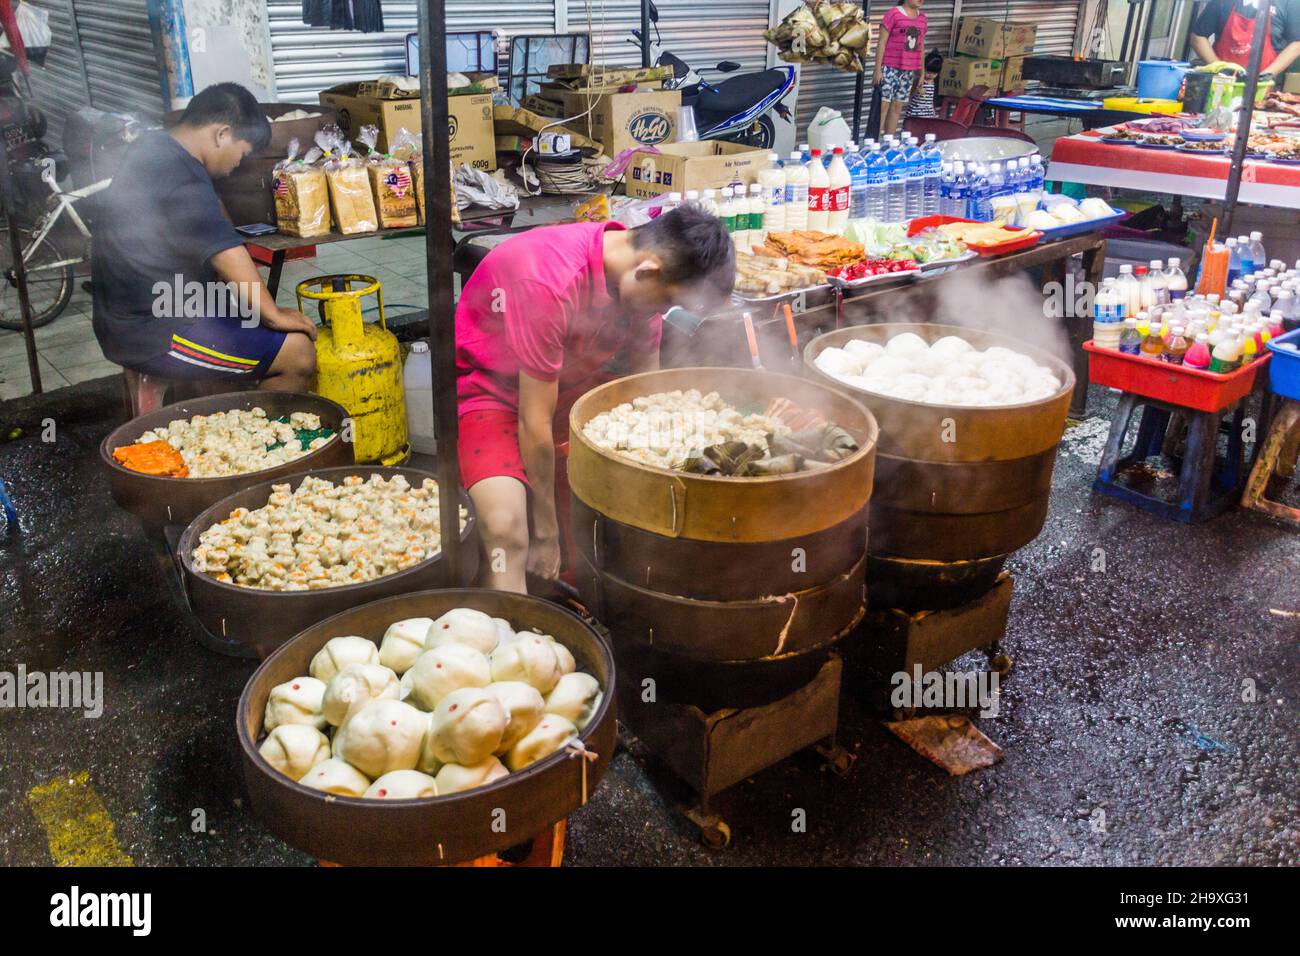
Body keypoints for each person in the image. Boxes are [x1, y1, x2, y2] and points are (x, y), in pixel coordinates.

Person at [454, 204, 735, 594]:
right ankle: (499, 630)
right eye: (666, 302)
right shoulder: (549, 281)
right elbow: (533, 421)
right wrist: (547, 535)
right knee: (507, 534)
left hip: (571, 385)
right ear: (648, 270)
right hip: (496, 395)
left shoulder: (634, 276)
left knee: (604, 520)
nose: (663, 312)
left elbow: (647, 388)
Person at [92, 83, 318, 391]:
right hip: (152, 331)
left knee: (237, 314)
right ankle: (257, 438)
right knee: (298, 353)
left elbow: (207, 221)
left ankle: (223, 411)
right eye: (243, 152)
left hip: (133, 316)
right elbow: (225, 251)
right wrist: (274, 315)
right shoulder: (178, 172)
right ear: (222, 134)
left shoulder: (155, 147)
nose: (238, 164)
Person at [1189, 0, 1300, 76]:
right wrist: (1219, 68)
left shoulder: (1289, 3)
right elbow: (1198, 36)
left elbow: (1297, 43)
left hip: (1263, 88)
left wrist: (1267, 75)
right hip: (1219, 83)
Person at [874, 0, 929, 134]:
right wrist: (877, 70)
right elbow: (881, 42)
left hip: (909, 71)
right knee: (882, 106)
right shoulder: (893, 14)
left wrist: (922, 72)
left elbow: (921, 46)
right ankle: (873, 145)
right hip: (889, 68)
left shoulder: (922, 18)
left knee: (897, 107)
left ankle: (889, 143)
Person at [906, 49, 944, 120]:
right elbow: (911, 94)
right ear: (924, 69)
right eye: (928, 72)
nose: (931, 76)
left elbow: (930, 99)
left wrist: (933, 112)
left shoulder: (933, 82)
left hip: (927, 114)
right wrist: (917, 91)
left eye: (934, 74)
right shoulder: (919, 80)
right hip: (915, 113)